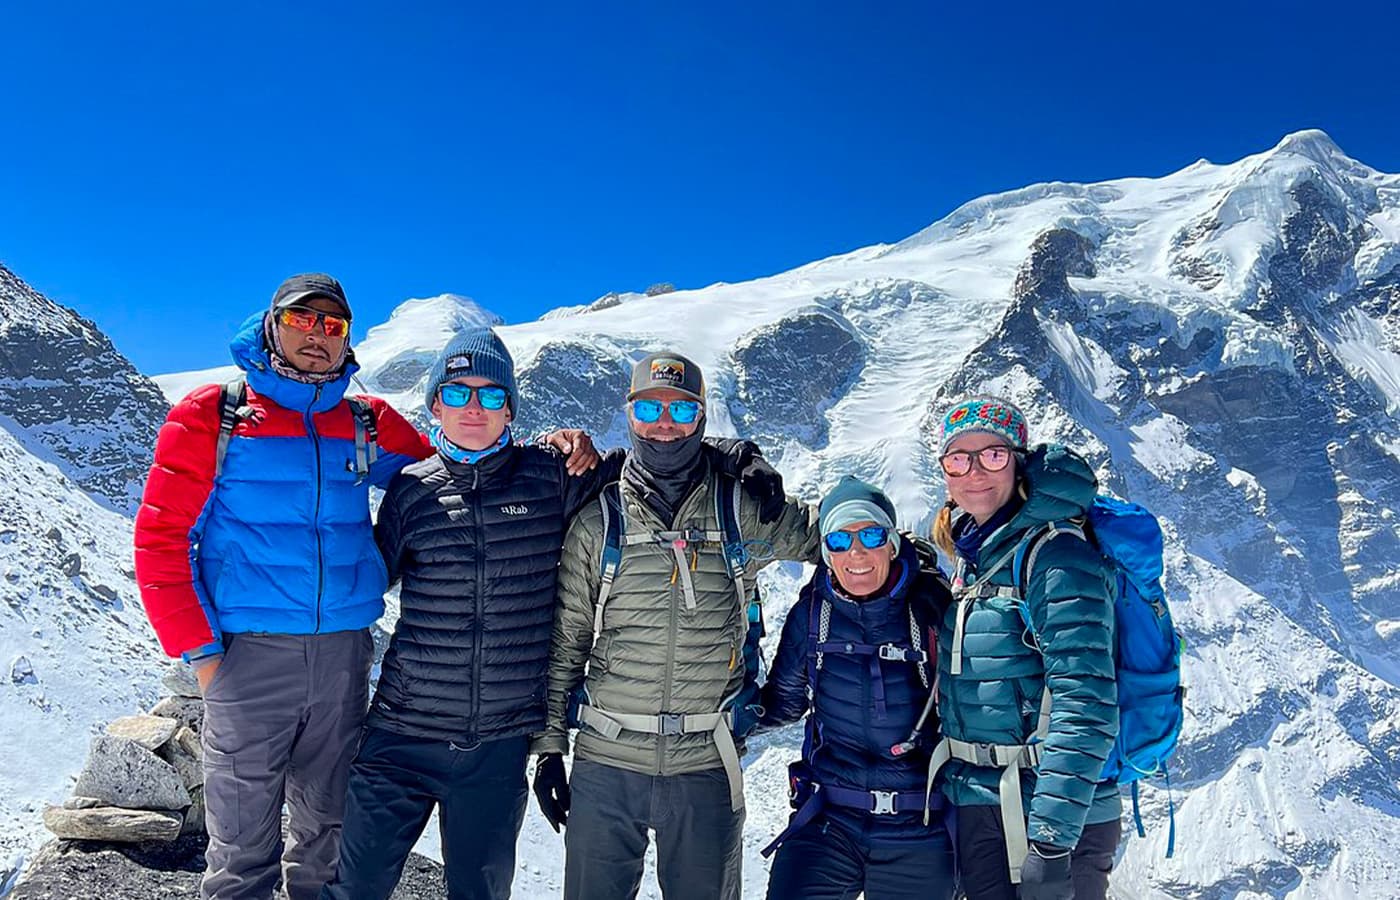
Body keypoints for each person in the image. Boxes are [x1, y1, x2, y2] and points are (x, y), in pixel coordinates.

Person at [322, 334, 787, 900]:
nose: (475, 407)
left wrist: (732, 455)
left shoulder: (554, 476)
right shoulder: (412, 490)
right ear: (435, 404)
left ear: (511, 408)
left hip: (494, 747)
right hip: (400, 732)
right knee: (353, 888)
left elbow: (657, 454)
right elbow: (365, 586)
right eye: (458, 392)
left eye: (492, 396)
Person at [133, 273, 433, 900]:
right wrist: (206, 657)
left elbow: (447, 471)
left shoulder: (364, 421)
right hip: (249, 655)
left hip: (344, 654)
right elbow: (161, 540)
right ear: (272, 324)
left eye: (334, 325)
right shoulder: (214, 415)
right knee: (242, 847)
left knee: (328, 833)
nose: (318, 336)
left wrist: (547, 456)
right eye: (303, 319)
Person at [531, 350, 822, 900]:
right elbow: (567, 642)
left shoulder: (745, 507)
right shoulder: (600, 519)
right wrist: (550, 750)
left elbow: (836, 540)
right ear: (629, 414)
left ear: (703, 417)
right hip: (606, 761)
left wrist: (917, 555)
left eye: (682, 410)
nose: (665, 424)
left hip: (705, 762)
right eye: (650, 408)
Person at [927, 396, 1121, 900]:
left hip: (1049, 817)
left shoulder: (1055, 555)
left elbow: (1087, 700)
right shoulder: (976, 553)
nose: (974, 472)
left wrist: (1052, 842)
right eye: (958, 458)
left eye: (992, 454)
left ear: (1019, 462)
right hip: (986, 804)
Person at [759, 476, 956, 900]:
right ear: (826, 553)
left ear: (891, 541)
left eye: (870, 534)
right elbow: (783, 702)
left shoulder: (932, 610)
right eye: (839, 540)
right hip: (831, 820)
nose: (857, 553)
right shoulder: (812, 614)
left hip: (919, 825)